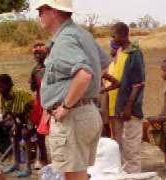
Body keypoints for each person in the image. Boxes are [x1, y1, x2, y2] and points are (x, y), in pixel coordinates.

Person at [36, 0, 110, 179]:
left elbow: (84, 74)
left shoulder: (65, 40)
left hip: (72, 116)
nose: (39, 15)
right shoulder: (82, 34)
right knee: (79, 174)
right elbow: (104, 64)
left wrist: (66, 105)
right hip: (86, 112)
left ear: (53, 12)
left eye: (41, 10)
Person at [108, 22, 145, 173]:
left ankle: (134, 174)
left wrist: (129, 105)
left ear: (124, 35)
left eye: (114, 35)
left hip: (130, 108)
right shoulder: (119, 51)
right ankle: (123, 174)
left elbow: (138, 83)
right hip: (117, 105)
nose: (112, 38)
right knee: (118, 145)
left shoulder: (135, 53)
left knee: (131, 146)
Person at [0, 74, 34, 178]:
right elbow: (6, 114)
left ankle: (28, 168)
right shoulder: (4, 97)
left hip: (33, 117)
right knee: (14, 134)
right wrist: (6, 122)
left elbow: (20, 114)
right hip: (20, 119)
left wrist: (14, 124)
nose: (0, 89)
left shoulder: (18, 95)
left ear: (9, 85)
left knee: (24, 134)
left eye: (1, 86)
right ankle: (16, 164)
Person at [29, 42, 49, 169]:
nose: (37, 55)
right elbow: (33, 87)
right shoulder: (35, 70)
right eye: (35, 53)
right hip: (40, 103)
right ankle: (43, 159)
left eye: (39, 53)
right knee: (40, 133)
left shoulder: (51, 66)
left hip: (53, 103)